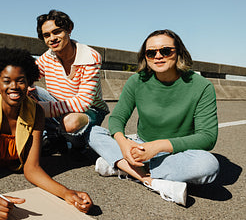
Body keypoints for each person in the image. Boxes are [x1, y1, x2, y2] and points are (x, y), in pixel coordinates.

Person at [0, 48, 93, 220]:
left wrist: (66, 193)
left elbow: (32, 168)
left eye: (20, 81)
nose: (13, 86)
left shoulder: (36, 112)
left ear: (28, 82)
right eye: (6, 81)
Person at [89, 29, 220, 206]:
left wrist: (158, 147)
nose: (158, 56)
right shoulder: (137, 81)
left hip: (175, 153)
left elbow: (207, 137)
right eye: (151, 52)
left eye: (165, 51)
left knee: (208, 165)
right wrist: (123, 143)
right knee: (93, 131)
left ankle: (122, 166)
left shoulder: (202, 86)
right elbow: (117, 118)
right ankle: (152, 181)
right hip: (140, 145)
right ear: (145, 57)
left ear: (179, 52)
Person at [31, 10, 109, 154]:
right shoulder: (47, 57)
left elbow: (83, 101)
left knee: (70, 123)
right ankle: (53, 137)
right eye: (46, 35)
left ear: (69, 30)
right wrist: (26, 88)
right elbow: (28, 76)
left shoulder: (90, 57)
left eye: (57, 32)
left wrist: (41, 110)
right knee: (22, 92)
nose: (52, 38)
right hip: (59, 105)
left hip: (89, 110)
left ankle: (77, 144)